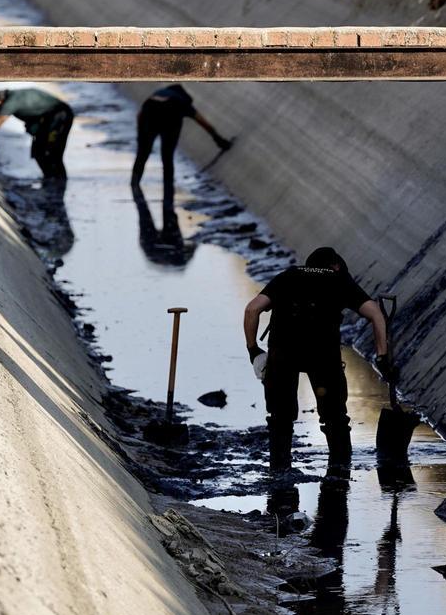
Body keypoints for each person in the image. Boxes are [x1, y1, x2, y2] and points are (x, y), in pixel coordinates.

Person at [244, 247, 396, 476]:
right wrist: (382, 356)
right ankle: (340, 472)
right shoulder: (339, 279)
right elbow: (375, 313)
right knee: (335, 419)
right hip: (322, 355)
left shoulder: (289, 276)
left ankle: (279, 472)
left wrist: (253, 350)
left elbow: (252, 309)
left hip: (283, 354)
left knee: (280, 419)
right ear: (336, 265)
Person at [131, 84, 232, 191]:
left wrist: (140, 135)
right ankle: (168, 189)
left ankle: (134, 184)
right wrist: (218, 139)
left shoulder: (160, 93)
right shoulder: (181, 101)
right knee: (167, 157)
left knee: (142, 154)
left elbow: (139, 115)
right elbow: (202, 122)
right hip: (172, 113)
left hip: (149, 112)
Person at [0, 88, 73, 178]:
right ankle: (51, 181)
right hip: (50, 119)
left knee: (53, 154)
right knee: (39, 152)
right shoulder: (8, 98)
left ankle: (57, 186)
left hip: (60, 116)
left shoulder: (11, 102)